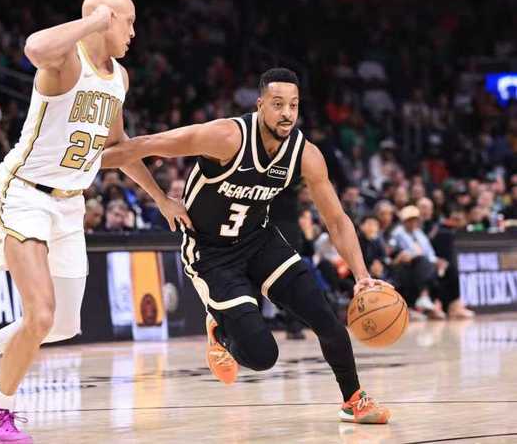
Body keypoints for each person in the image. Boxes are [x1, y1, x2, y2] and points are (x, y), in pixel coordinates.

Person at [0, 0, 190, 443]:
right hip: (26, 194)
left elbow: (117, 148)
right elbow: (33, 48)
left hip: (71, 203)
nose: (134, 32)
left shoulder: (119, 77)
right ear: (105, 17)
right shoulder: (66, 61)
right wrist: (93, 21)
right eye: (129, 21)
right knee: (39, 314)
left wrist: (159, 197)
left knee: (61, 325)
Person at [103, 68, 391, 424]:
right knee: (262, 355)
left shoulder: (305, 154)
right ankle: (219, 330)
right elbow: (145, 145)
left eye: (293, 105)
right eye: (278, 104)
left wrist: (361, 275)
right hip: (211, 253)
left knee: (327, 319)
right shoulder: (226, 137)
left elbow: (336, 220)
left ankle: (354, 399)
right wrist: (87, 168)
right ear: (260, 105)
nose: (286, 113)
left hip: (259, 241)